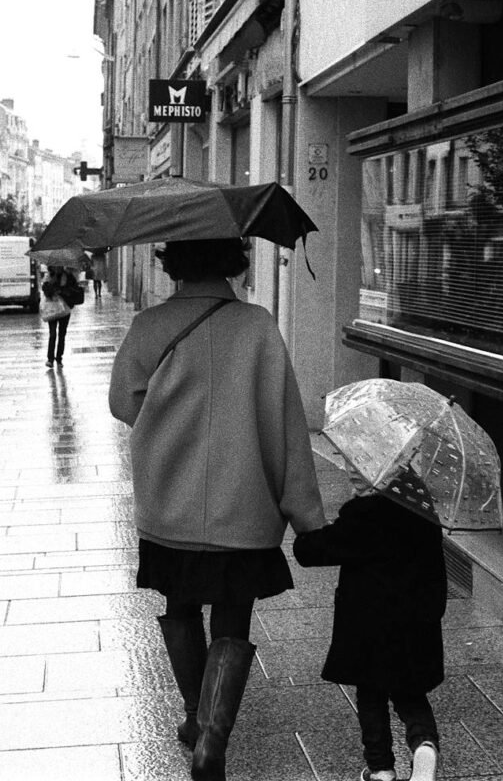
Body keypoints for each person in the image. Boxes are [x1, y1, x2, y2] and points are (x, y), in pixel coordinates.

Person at [108, 237, 325, 781]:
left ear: (173, 263)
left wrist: (165, 423)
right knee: (232, 614)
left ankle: (192, 718)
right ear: (233, 261)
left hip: (169, 505)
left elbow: (121, 401)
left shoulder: (149, 326)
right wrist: (306, 514)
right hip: (244, 504)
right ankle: (213, 735)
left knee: (180, 606)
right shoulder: (258, 326)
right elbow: (287, 424)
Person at [293, 460, 446, 781]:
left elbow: (313, 551)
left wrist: (303, 533)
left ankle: (381, 769)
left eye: (358, 467)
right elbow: (437, 576)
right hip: (414, 626)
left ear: (380, 472)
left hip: (369, 630)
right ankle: (424, 746)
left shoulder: (363, 515)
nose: (351, 471)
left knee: (371, 696)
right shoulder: (421, 508)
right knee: (411, 694)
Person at [42, 265, 81, 368]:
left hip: (65, 309)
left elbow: (74, 291)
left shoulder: (68, 277)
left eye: (59, 266)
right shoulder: (49, 277)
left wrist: (62, 291)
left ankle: (59, 359)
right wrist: (52, 283)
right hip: (52, 309)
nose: (57, 267)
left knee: (62, 335)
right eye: (55, 266)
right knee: (53, 334)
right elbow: (45, 290)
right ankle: (50, 359)